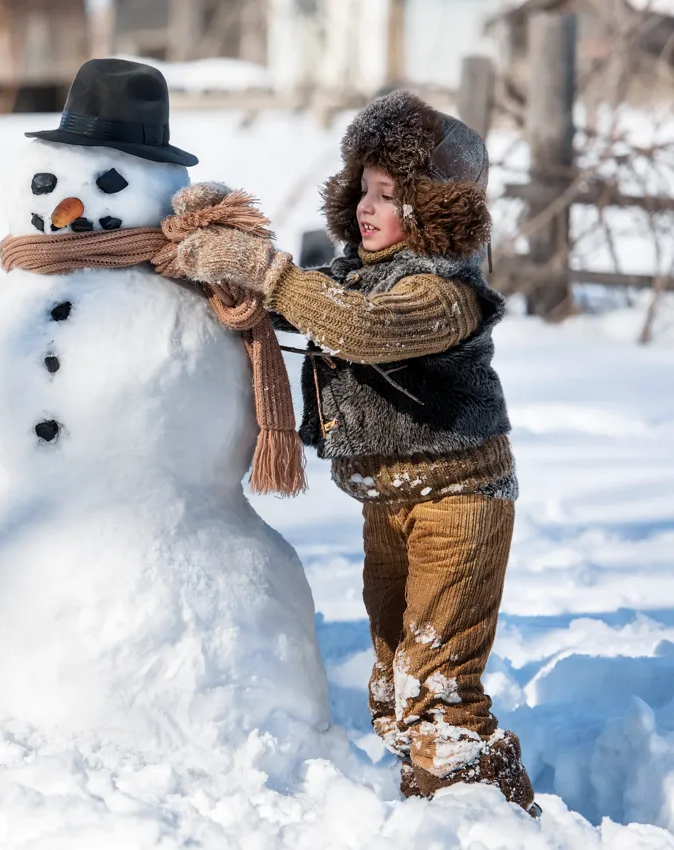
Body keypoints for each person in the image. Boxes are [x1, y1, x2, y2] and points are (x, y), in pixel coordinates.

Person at [163, 91, 537, 814]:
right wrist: (215, 244)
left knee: (438, 694)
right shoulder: (355, 272)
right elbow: (302, 301)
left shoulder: (444, 292)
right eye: (362, 188)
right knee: (396, 693)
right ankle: (444, 808)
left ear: (432, 206)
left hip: (458, 506)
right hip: (389, 505)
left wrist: (269, 271)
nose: (367, 206)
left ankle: (490, 820)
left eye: (389, 194)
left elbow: (360, 329)